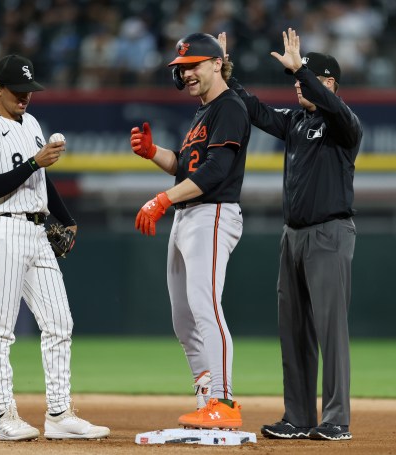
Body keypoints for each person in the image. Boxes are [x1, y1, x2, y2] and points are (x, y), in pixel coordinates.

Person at [222, 28, 361, 441]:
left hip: (329, 234)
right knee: (294, 328)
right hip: (294, 237)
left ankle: (336, 419)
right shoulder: (297, 121)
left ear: (330, 84)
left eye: (308, 80)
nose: (299, 85)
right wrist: (223, 75)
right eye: (298, 81)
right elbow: (256, 110)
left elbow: (334, 110)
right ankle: (298, 416)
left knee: (330, 330)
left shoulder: (343, 124)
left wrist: (302, 68)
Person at [0, 54, 110, 441]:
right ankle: (5, 416)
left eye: (29, 90)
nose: (25, 97)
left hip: (35, 230)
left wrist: (66, 217)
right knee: (0, 330)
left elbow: (41, 181)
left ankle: (59, 414)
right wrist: (34, 161)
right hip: (1, 229)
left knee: (59, 322)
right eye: (18, 90)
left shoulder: (30, 122)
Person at [129, 33, 251, 429]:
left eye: (195, 64)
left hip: (212, 213)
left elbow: (214, 172)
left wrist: (162, 200)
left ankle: (224, 400)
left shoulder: (229, 105)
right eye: (183, 67)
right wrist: (154, 153)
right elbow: (187, 166)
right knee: (183, 317)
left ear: (218, 63)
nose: (187, 72)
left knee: (205, 306)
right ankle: (205, 393)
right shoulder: (204, 111)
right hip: (189, 214)